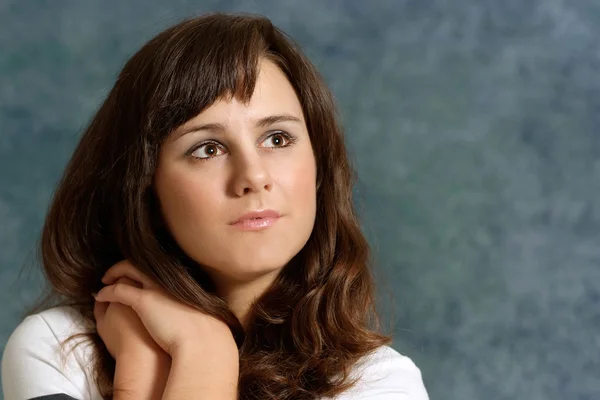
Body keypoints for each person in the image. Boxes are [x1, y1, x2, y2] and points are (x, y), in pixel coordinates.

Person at [1, 12, 429, 400]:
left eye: (277, 139)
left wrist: (201, 354)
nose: (253, 176)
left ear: (319, 166)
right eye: (208, 148)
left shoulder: (380, 384)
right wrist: (192, 357)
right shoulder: (59, 349)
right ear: (143, 187)